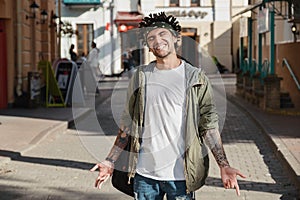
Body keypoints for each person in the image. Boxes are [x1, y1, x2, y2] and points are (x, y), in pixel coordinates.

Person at [91, 12, 246, 199]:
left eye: (163, 34)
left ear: (176, 38)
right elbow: (127, 124)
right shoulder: (140, 77)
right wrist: (110, 161)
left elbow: (209, 125)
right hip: (145, 175)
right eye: (151, 37)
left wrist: (224, 164)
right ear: (148, 46)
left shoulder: (196, 78)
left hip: (181, 177)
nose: (157, 40)